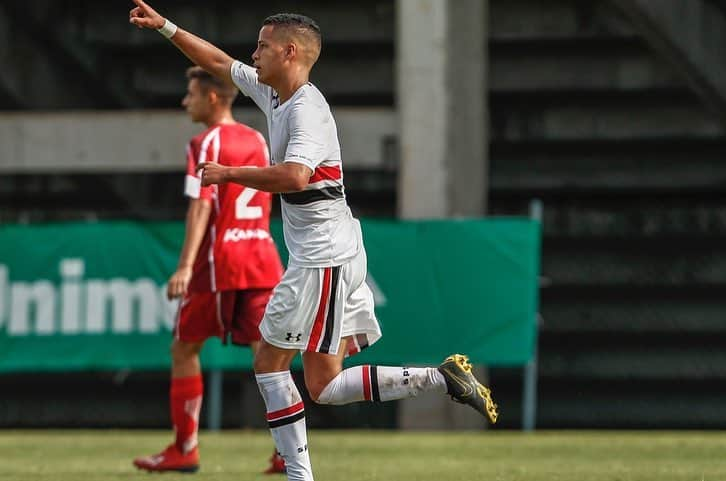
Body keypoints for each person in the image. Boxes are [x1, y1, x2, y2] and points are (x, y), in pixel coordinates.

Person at [129, 2, 498, 480]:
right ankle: (440, 376)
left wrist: (229, 174)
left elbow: (296, 176)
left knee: (268, 362)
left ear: (289, 52)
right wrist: (166, 27)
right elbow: (219, 63)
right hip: (334, 250)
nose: (253, 54)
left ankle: (300, 476)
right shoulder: (274, 94)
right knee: (322, 383)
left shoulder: (308, 109)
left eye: (262, 46)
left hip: (322, 256)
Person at [132, 65, 285, 473]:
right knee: (269, 357)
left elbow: (201, 203)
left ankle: (185, 448)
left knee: (184, 348)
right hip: (262, 258)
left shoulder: (206, 143)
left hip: (219, 264)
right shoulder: (257, 139)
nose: (186, 101)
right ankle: (287, 450)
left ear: (212, 98)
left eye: (192, 94)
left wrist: (184, 265)